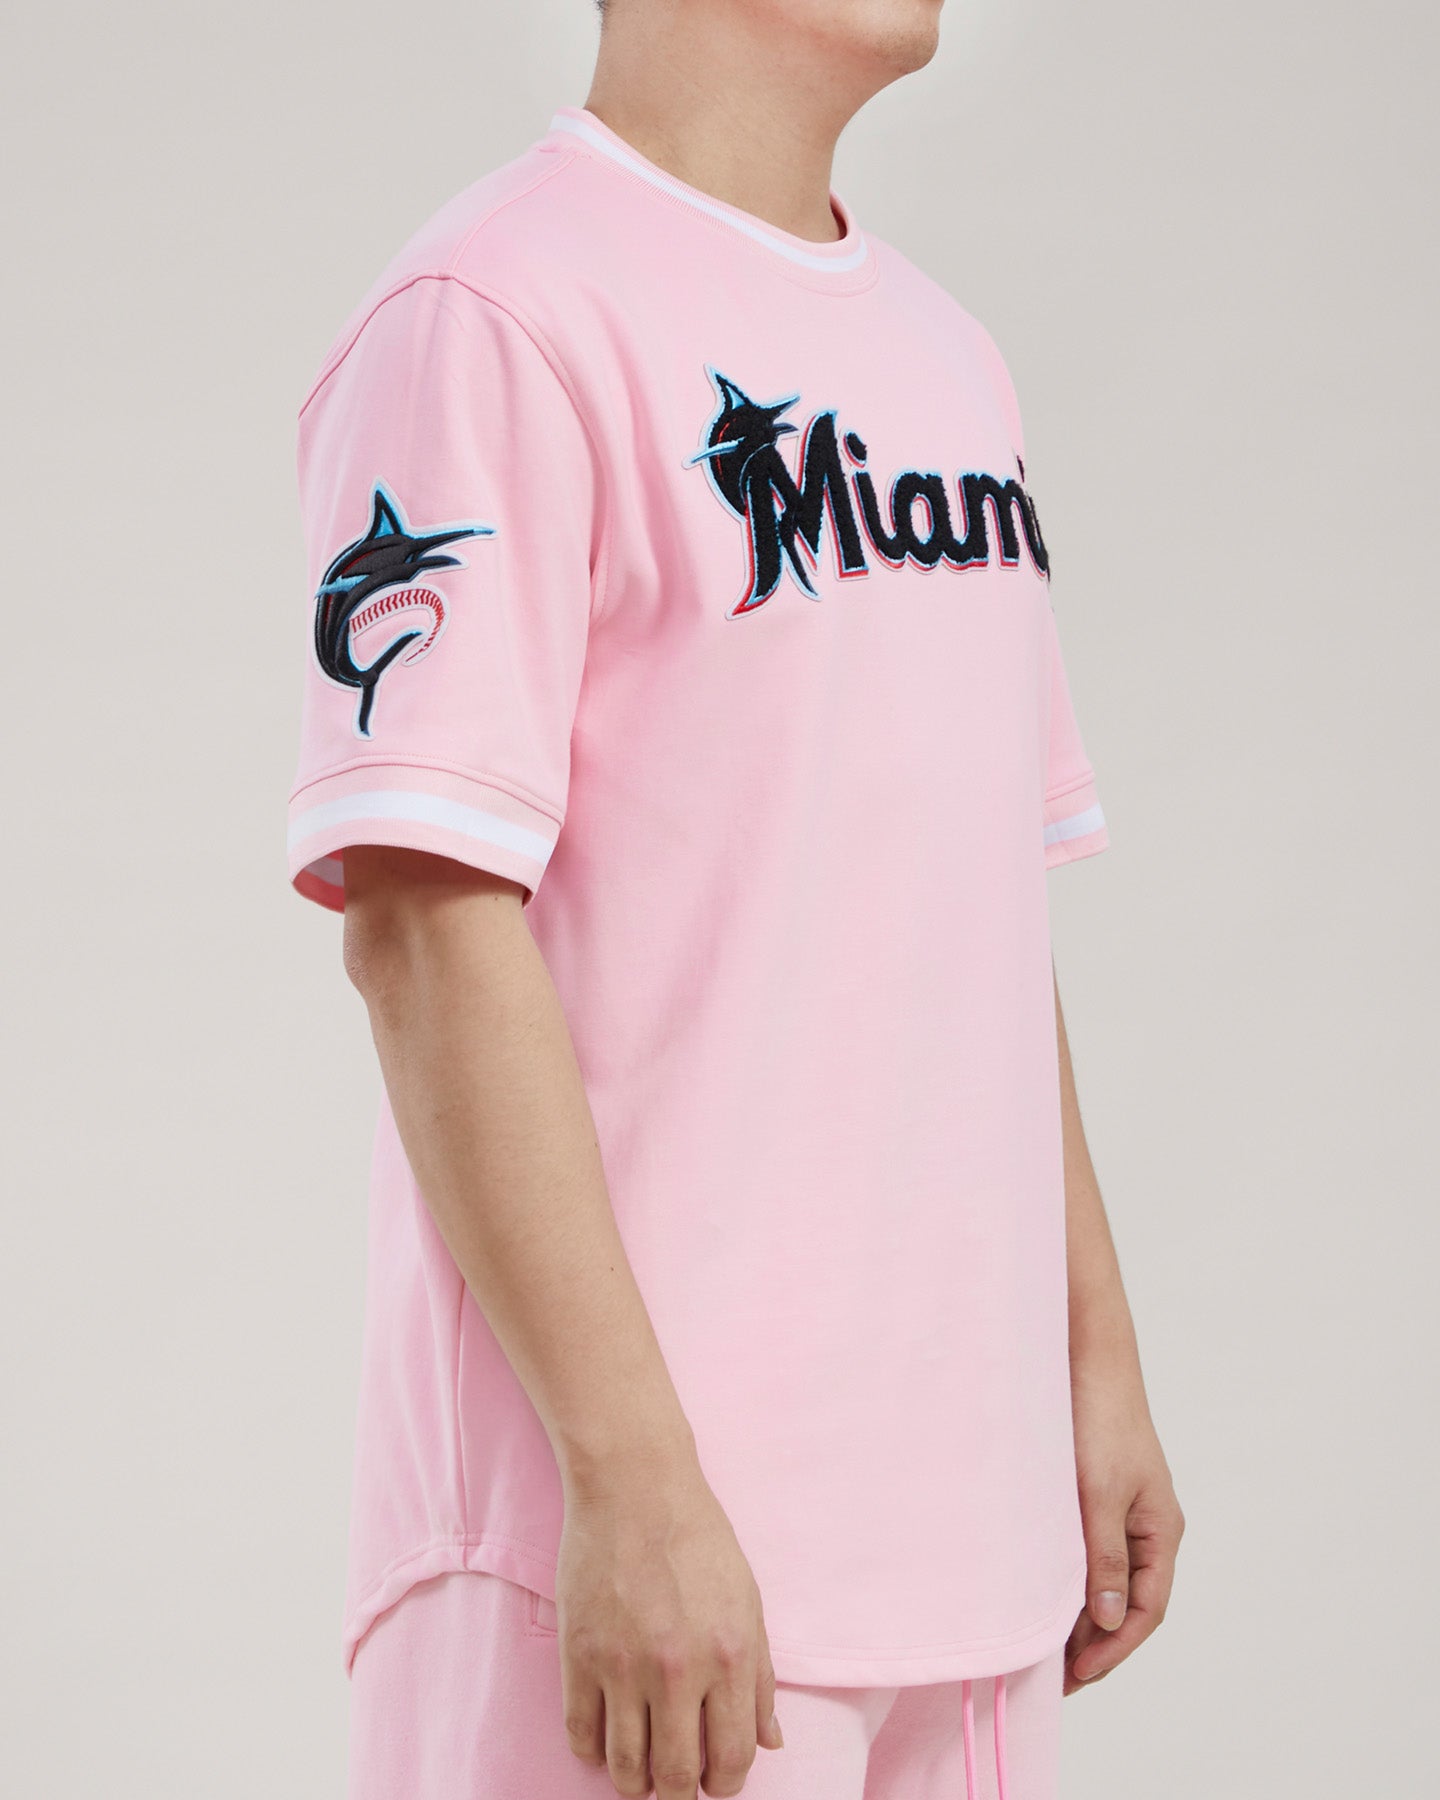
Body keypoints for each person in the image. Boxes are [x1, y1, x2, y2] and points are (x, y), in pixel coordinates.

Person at [284, 2, 1184, 1795]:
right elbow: (423, 926)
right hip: (642, 1564)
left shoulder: (947, 360)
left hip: (972, 1547)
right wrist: (631, 1484)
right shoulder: (493, 312)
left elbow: (975, 912)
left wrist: (1095, 1362)